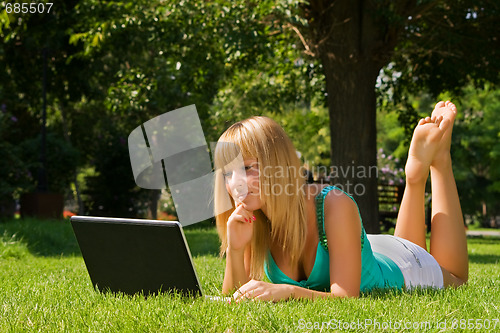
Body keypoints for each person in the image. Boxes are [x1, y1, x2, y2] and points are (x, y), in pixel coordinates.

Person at [213, 101, 468, 301]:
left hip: (405, 267)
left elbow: (346, 298)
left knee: (457, 279)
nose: (236, 182)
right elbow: (236, 298)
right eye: (227, 173)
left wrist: (287, 292)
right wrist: (235, 249)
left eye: (247, 168)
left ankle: (439, 162)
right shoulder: (252, 218)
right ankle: (414, 176)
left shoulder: (332, 203)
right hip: (368, 249)